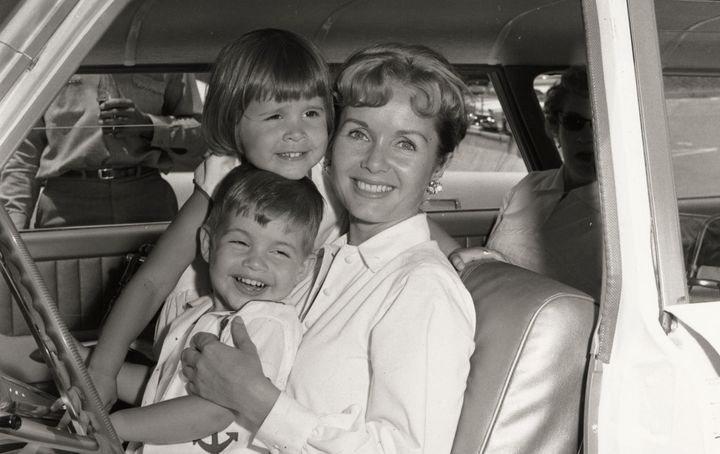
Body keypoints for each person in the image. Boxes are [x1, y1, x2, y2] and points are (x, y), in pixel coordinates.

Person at [180, 43, 477, 453]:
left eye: (405, 144)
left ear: (438, 167)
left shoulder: (422, 289)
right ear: (331, 146)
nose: (374, 161)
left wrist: (257, 400)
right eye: (358, 133)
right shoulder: (317, 263)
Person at [87, 28, 344, 408]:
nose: (297, 132)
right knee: (189, 396)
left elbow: (408, 226)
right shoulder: (223, 176)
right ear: (234, 125)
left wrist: (461, 258)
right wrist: (102, 371)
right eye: (275, 115)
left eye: (311, 112)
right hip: (206, 323)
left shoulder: (332, 177)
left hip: (279, 330)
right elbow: (155, 279)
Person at [109, 165, 322, 453]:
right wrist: (88, 365)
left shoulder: (266, 324)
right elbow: (162, 389)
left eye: (279, 252)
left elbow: (214, 411)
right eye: (240, 242)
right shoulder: (198, 313)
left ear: (302, 270)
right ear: (208, 245)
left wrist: (115, 426)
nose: (255, 262)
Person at [451, 66, 602, 300]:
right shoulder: (527, 187)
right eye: (574, 122)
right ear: (555, 128)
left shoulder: (622, 211)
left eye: (600, 125)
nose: (587, 136)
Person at [0, 73, 206, 228]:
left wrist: (148, 126)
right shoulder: (56, 46)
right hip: (65, 205)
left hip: (146, 199)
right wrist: (13, 227)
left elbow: (202, 133)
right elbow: (23, 155)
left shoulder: (159, 44)